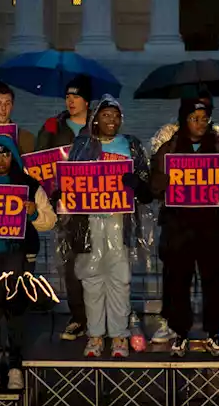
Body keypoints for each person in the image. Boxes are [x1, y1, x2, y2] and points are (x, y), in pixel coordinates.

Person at [60, 95, 153, 358]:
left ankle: (120, 335)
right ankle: (96, 334)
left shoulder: (131, 145)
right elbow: (68, 182)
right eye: (106, 115)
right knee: (91, 279)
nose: (111, 120)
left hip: (118, 222)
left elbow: (146, 190)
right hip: (88, 224)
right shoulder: (82, 145)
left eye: (116, 115)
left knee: (120, 279)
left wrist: (135, 183)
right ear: (96, 118)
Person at [0, 134, 57, 390]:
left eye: (5, 154)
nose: (0, 160)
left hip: (17, 254)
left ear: (14, 156)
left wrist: (34, 212)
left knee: (16, 311)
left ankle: (15, 366)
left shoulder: (30, 185)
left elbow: (50, 222)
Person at [148, 93, 219, 346]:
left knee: (214, 282)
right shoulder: (169, 148)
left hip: (212, 228)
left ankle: (214, 332)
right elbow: (153, 187)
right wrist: (163, 181)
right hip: (178, 228)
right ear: (183, 120)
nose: (200, 123)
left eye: (204, 118)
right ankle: (180, 331)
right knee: (177, 281)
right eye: (194, 118)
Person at [36, 74, 93, 341]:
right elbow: (38, 165)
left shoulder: (99, 125)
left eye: (76, 96)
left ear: (87, 100)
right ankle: (78, 317)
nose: (70, 101)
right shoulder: (54, 127)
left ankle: (102, 316)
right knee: (71, 264)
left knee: (99, 262)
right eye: (67, 96)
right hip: (66, 207)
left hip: (96, 205)